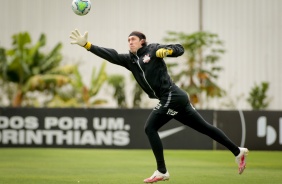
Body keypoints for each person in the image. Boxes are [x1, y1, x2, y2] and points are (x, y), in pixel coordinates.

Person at [70, 29, 249, 183]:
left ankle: (162, 171)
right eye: (128, 40)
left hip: (172, 95)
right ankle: (238, 151)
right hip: (175, 98)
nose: (129, 42)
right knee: (205, 128)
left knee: (150, 128)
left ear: (142, 41)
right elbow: (111, 55)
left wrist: (168, 51)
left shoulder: (153, 49)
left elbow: (180, 49)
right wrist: (87, 45)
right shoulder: (130, 61)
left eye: (133, 39)